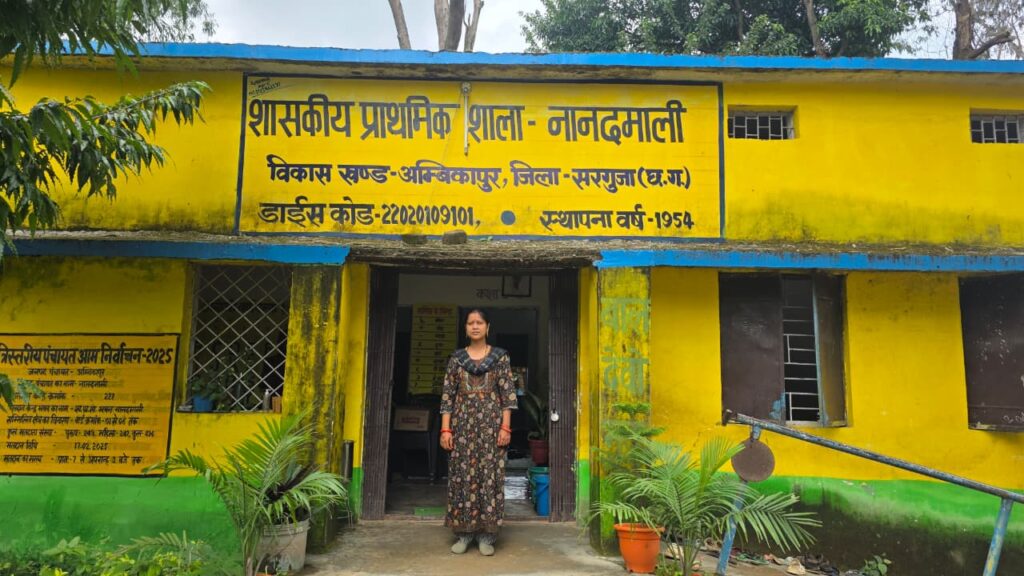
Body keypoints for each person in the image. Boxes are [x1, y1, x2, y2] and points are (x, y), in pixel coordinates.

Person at [439, 308, 517, 556]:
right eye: (470, 323)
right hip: (461, 429)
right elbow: (447, 397)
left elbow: (508, 396)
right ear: (465, 328)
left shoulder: (500, 357)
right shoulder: (456, 359)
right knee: (462, 478)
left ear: (487, 327)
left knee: (489, 478)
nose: (475, 326)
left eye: (479, 322)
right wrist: (445, 429)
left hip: (491, 429)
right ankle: (464, 534)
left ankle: (486, 536)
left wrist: (505, 427)